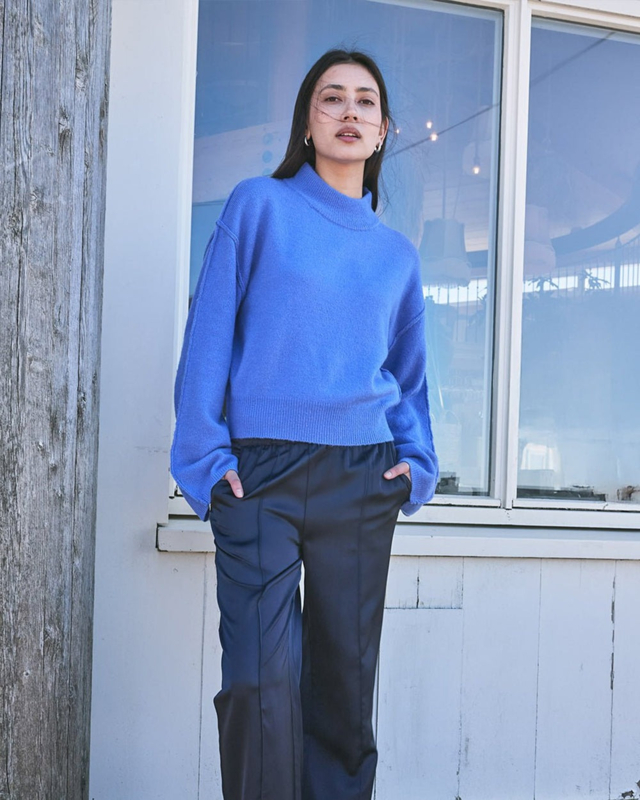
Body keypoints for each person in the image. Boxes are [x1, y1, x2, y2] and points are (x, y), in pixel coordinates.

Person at [170, 47, 439, 800]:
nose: (349, 111)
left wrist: (416, 464)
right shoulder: (258, 206)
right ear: (308, 121)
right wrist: (204, 460)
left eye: (365, 101)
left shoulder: (396, 255)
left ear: (382, 131)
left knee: (344, 695)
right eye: (332, 98)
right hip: (261, 474)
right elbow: (208, 335)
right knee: (258, 682)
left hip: (362, 474)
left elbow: (409, 378)